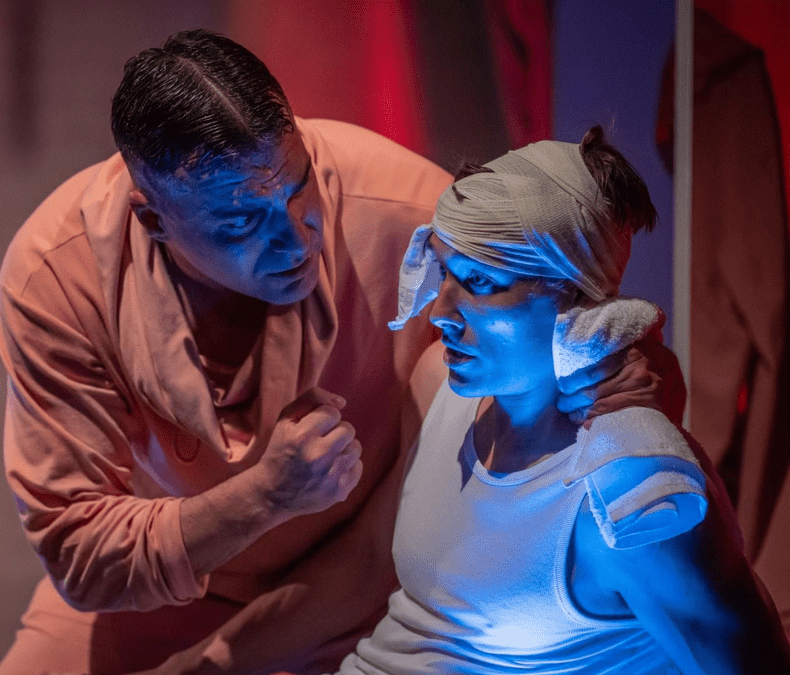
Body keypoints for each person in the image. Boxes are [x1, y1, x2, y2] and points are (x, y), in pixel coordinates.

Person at [0, 30, 675, 675]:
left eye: (300, 188)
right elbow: (81, 555)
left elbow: (581, 321)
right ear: (153, 220)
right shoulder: (58, 275)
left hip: (360, 588)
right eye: (241, 222)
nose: (296, 239)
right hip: (158, 589)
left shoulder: (408, 209)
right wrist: (263, 496)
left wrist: (617, 367)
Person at [333, 129, 790, 673]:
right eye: (447, 273)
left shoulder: (634, 494)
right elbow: (368, 564)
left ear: (576, 297)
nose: (440, 313)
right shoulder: (440, 384)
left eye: (481, 282)